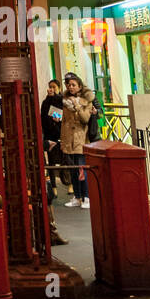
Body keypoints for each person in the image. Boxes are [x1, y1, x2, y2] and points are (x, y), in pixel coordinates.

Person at [60, 73, 94, 209]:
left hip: (80, 138)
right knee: (73, 170)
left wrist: (77, 106)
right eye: (68, 85)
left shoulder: (87, 100)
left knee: (81, 169)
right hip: (68, 138)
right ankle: (77, 196)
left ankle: (86, 196)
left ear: (80, 86)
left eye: (73, 84)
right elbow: (63, 120)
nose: (70, 87)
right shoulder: (64, 101)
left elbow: (85, 118)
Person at [41, 80, 66, 198]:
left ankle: (69, 183)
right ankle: (54, 187)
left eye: (54, 87)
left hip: (61, 134)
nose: (51, 89)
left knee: (64, 160)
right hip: (49, 135)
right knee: (51, 161)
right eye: (49, 87)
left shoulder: (62, 100)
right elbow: (43, 117)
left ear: (59, 88)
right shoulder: (46, 102)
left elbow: (62, 115)